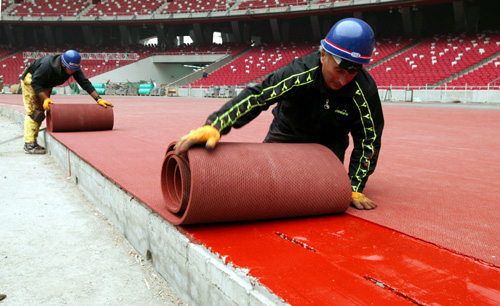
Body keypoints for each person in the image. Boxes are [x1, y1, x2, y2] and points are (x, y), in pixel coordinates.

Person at [174, 18, 384, 210]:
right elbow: (258, 96)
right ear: (323, 55)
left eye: (353, 73)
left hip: (328, 146)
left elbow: (368, 140)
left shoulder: (364, 92)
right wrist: (216, 125)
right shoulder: (298, 73)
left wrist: (355, 185)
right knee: (264, 183)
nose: (343, 80)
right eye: (339, 71)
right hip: (287, 132)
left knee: (323, 191)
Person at [20, 50, 113, 154]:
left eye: (75, 69)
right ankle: (29, 144)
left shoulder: (74, 67)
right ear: (63, 64)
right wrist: (45, 98)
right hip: (32, 80)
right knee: (35, 112)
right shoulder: (47, 66)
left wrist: (98, 99)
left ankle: (34, 141)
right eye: (71, 69)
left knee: (42, 111)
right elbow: (35, 82)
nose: (73, 71)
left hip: (46, 83)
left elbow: (84, 82)